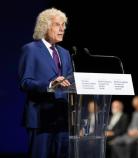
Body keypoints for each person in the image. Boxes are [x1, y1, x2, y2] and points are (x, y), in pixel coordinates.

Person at [18, 8, 73, 158]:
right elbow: (25, 82)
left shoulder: (65, 53)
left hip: (62, 119)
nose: (62, 29)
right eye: (57, 25)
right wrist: (50, 85)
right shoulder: (31, 50)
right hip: (41, 118)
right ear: (45, 27)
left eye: (64, 25)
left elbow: (69, 80)